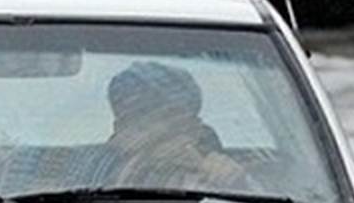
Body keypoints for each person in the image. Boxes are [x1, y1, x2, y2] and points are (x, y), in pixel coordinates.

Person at [105, 62, 257, 192]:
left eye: (165, 117)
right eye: (129, 119)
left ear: (193, 127)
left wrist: (236, 182)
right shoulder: (98, 172)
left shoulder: (219, 174)